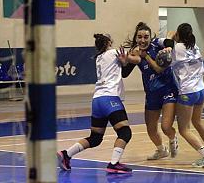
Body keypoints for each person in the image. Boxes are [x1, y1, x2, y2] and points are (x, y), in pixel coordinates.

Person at [57, 33, 132, 173]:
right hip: (110, 98)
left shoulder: (99, 58)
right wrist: (138, 53)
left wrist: (124, 62)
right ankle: (114, 164)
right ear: (109, 42)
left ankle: (66, 154)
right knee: (125, 132)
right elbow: (135, 59)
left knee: (95, 138)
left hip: (97, 100)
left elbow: (123, 67)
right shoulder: (115, 52)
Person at [122, 22, 178, 160]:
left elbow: (170, 36)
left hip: (168, 89)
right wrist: (126, 60)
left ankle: (172, 138)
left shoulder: (157, 44)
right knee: (151, 129)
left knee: (165, 127)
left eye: (146, 37)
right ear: (136, 38)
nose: (143, 40)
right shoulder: (135, 53)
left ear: (150, 37)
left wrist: (169, 47)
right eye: (140, 37)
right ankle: (161, 150)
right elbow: (124, 73)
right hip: (152, 94)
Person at [168, 23, 204, 167]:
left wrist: (169, 38)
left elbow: (165, 57)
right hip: (200, 90)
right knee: (198, 121)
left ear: (178, 34)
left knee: (184, 129)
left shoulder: (177, 47)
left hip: (187, 92)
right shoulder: (194, 46)